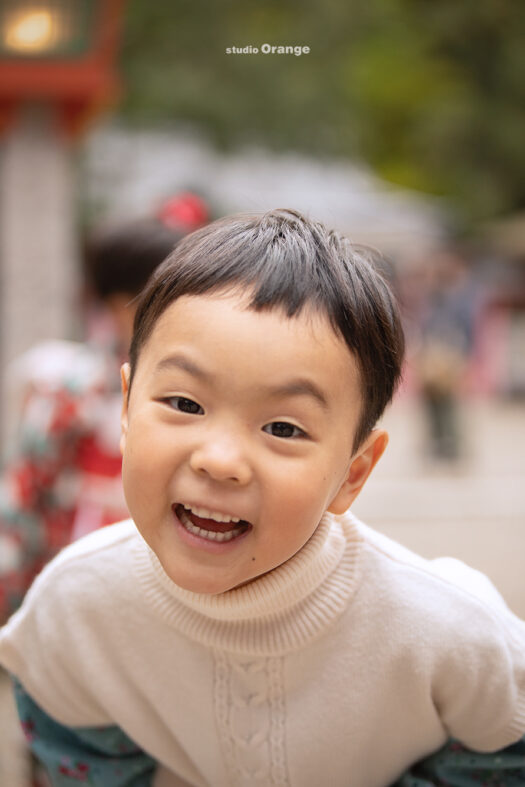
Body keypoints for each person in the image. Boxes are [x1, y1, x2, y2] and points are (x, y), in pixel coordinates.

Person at [0, 209, 524, 787]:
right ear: (125, 409)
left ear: (353, 473)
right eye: (185, 404)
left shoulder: (446, 632)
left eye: (282, 428)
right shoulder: (74, 610)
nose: (218, 460)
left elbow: (503, 751)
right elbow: (74, 755)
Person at [0, 194, 208, 624]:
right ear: (120, 302)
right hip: (75, 575)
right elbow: (26, 496)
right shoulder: (69, 387)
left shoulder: (194, 385)